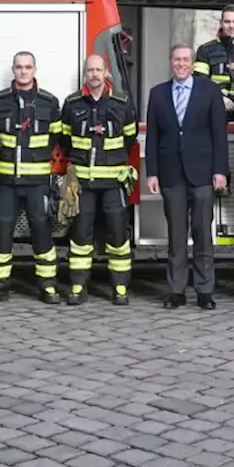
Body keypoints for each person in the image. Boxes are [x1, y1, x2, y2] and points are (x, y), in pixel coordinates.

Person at [146, 44, 227, 310]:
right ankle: (177, 290)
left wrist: (220, 170)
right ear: (171, 62)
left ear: (193, 63)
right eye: (177, 59)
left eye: (185, 60)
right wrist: (152, 172)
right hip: (171, 174)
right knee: (176, 235)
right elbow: (153, 137)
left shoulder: (210, 90)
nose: (181, 64)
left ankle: (204, 290)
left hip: (202, 172)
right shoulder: (157, 94)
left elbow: (219, 134)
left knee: (203, 234)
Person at [0, 51, 63, 305]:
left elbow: (57, 137)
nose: (23, 72)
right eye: (19, 67)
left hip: (37, 181)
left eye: (28, 67)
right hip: (6, 181)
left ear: (34, 69)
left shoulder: (49, 102)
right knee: (1, 231)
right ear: (13, 70)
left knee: (42, 231)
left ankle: (47, 286)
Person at [60, 54, 137, 305]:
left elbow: (129, 138)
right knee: (81, 236)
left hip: (113, 183)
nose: (94, 74)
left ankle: (120, 288)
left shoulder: (122, 103)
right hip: (83, 184)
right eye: (90, 70)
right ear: (85, 74)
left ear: (107, 73)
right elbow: (65, 139)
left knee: (117, 236)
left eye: (98, 70)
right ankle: (78, 286)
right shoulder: (72, 104)